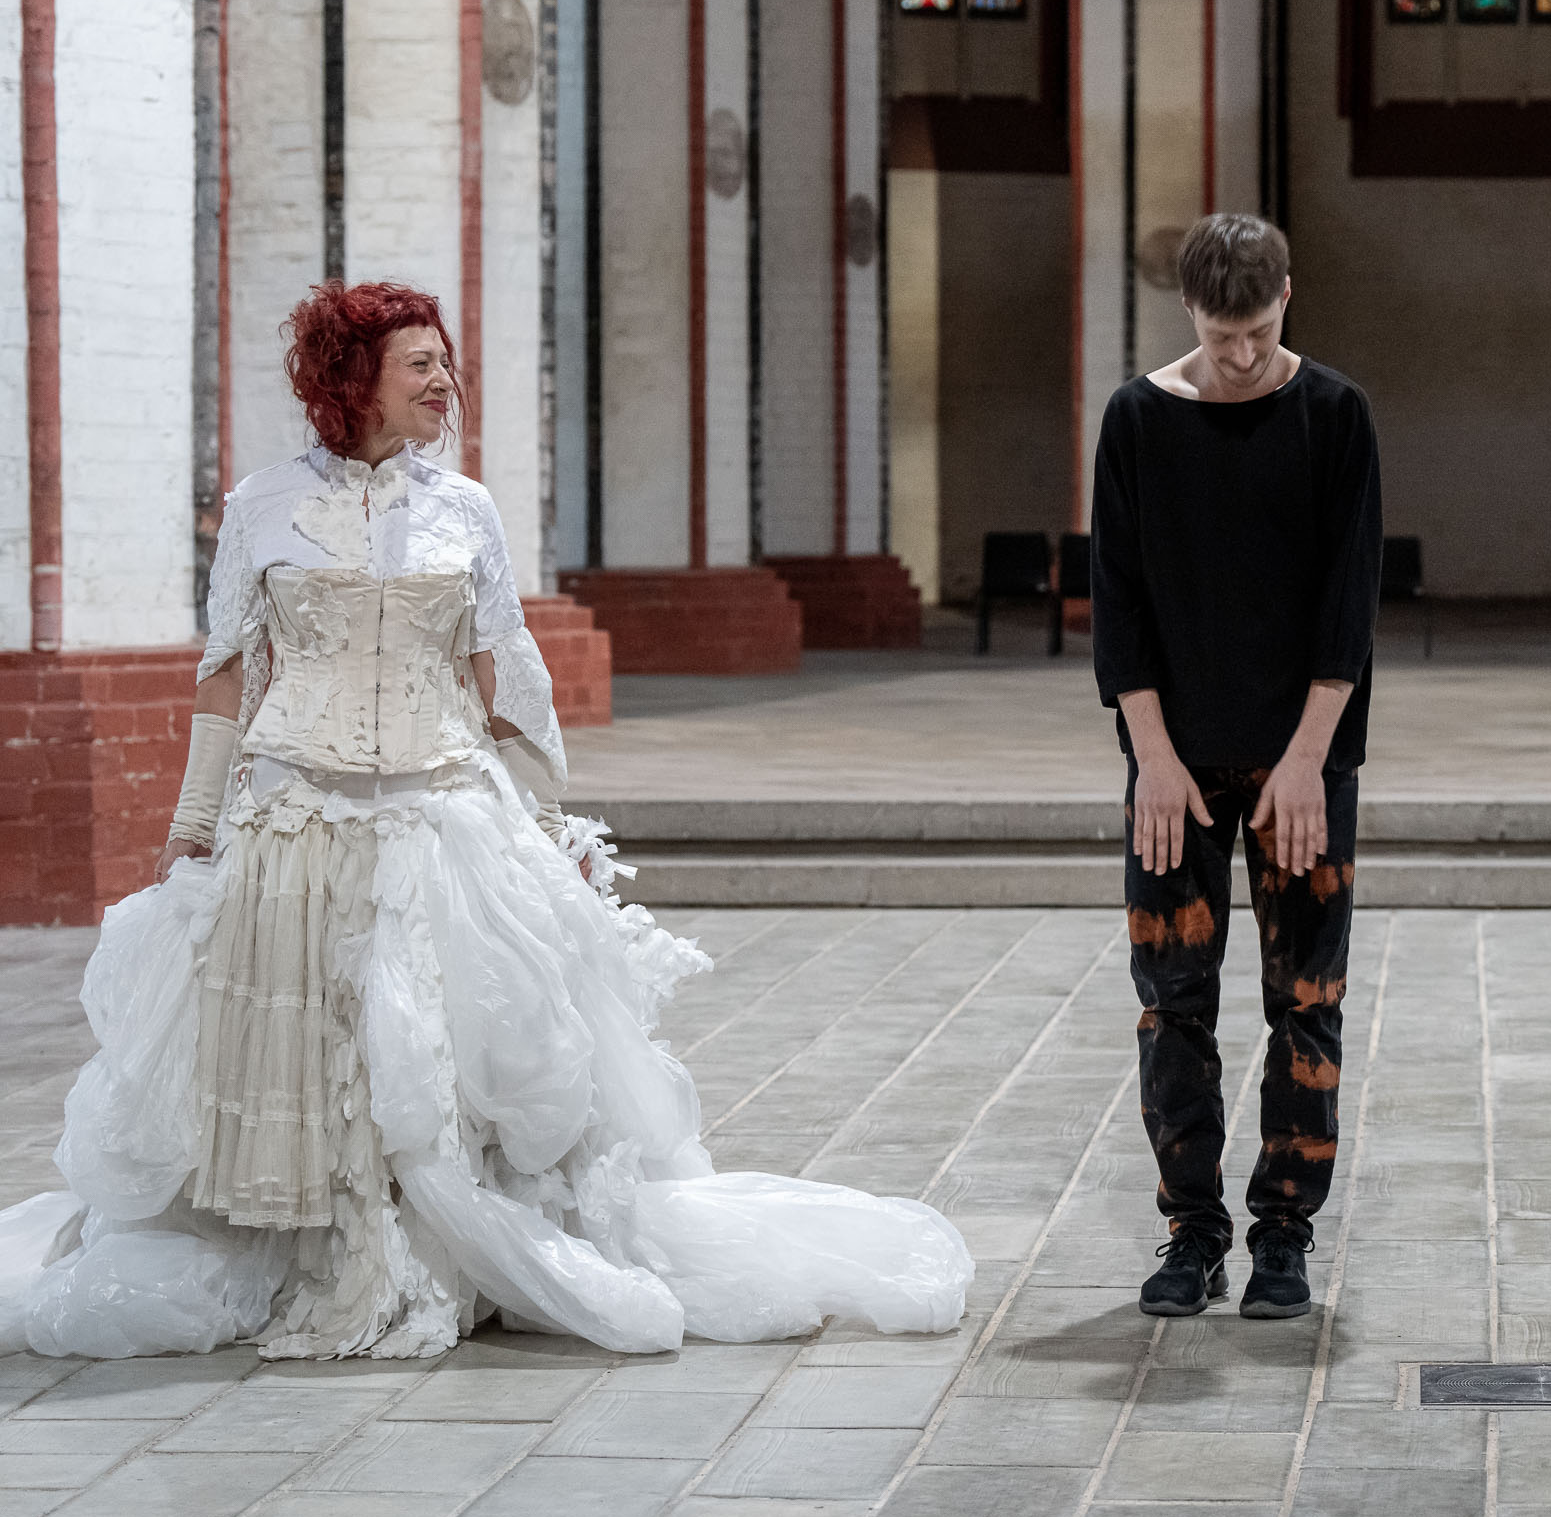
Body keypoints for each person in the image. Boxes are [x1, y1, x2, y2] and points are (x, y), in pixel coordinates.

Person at [0, 282, 972, 1361]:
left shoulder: (465, 510)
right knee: (307, 1048)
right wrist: (192, 822)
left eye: (444, 360)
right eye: (419, 362)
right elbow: (229, 675)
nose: (443, 380)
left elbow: (505, 670)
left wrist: (550, 821)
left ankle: (449, 1250)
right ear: (350, 379)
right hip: (296, 817)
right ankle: (302, 1241)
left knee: (442, 1047)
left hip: (440, 808)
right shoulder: (262, 507)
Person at [1090, 214, 1381, 1322]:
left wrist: (1306, 761)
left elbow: (1344, 608)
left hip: (1303, 759)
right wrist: (1151, 760)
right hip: (1175, 763)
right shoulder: (1136, 420)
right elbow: (1120, 606)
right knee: (1173, 1006)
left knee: (1305, 1001)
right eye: (1222, 336)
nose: (1243, 356)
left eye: (1258, 331)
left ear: (1288, 299)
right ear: (1188, 314)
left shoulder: (1334, 414)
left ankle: (1285, 1234)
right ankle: (1191, 1230)